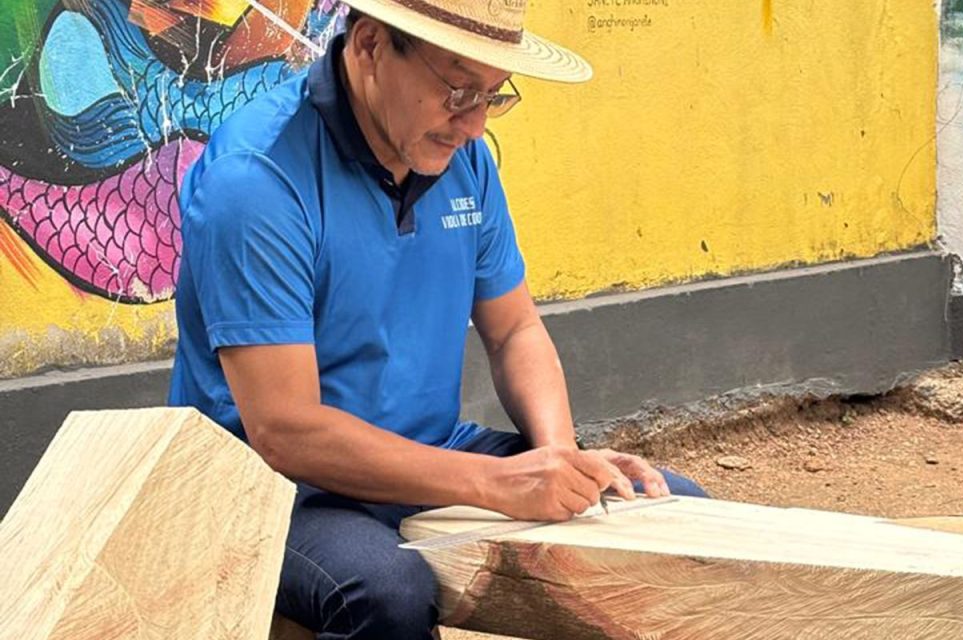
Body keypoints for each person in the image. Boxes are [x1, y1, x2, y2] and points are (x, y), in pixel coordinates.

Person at [167, 0, 707, 637]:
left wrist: (559, 458)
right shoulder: (256, 181)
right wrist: (495, 481)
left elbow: (514, 330)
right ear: (368, 44)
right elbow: (286, 432)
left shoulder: (462, 160)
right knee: (385, 590)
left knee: (672, 516)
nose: (473, 125)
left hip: (429, 452)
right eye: (456, 89)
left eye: (493, 96)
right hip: (270, 486)